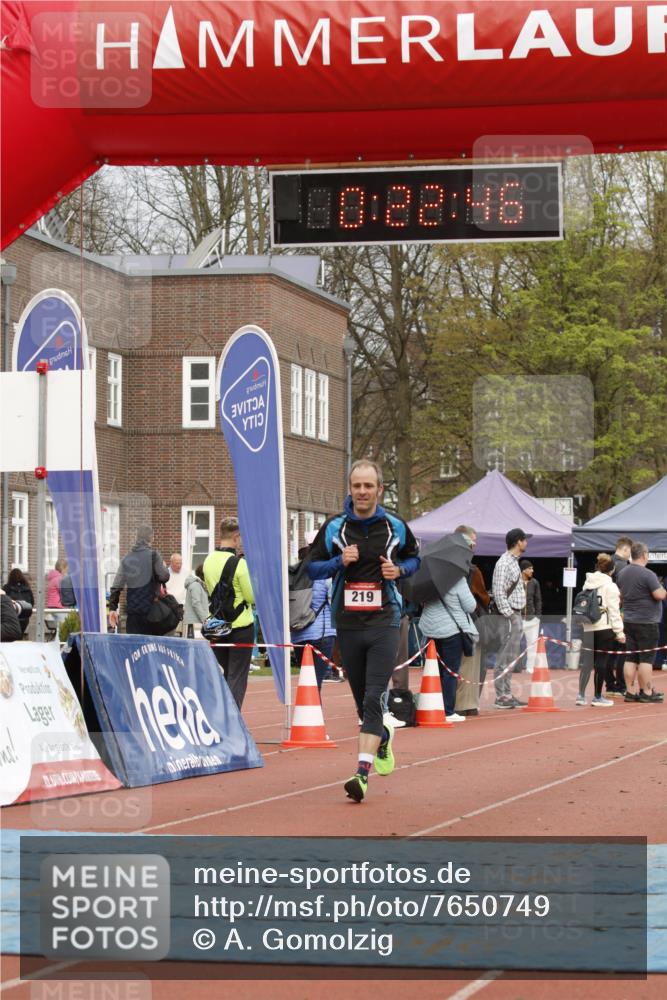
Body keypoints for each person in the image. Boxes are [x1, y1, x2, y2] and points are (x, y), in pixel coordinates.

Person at [307, 458, 420, 803]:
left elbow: (416, 559)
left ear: (379, 490)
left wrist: (398, 571)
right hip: (348, 623)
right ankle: (382, 736)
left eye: (368, 485)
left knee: (374, 696)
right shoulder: (334, 528)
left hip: (385, 621)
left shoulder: (395, 526)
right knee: (363, 704)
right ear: (350, 489)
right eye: (357, 486)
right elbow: (311, 569)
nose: (362, 491)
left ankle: (361, 773)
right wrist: (338, 562)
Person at [420, 534, 478, 724]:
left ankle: (430, 705)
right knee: (450, 672)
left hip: (429, 629)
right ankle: (447, 709)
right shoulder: (457, 579)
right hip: (451, 631)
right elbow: (470, 606)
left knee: (432, 670)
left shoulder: (424, 580)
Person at [203, 517, 256, 709]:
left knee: (225, 674)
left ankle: (222, 715)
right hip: (241, 626)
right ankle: (233, 720)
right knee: (237, 676)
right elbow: (251, 597)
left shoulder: (208, 561)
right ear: (236, 537)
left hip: (218, 626)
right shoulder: (240, 564)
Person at [617, 542, 666, 703]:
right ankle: (647, 691)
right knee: (646, 659)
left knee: (631, 657)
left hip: (629, 620)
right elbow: (659, 595)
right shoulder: (648, 574)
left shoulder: (622, 573)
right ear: (644, 555)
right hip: (646, 622)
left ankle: (630, 692)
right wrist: (663, 588)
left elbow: (620, 596)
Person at [576, 553, 625, 707]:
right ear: (612, 570)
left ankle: (581, 695)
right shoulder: (611, 586)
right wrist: (620, 632)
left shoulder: (587, 583)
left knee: (587, 663)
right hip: (604, 627)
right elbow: (614, 611)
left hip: (588, 626)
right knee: (601, 662)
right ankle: (597, 696)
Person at [291, 537, 337, 691]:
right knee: (315, 682)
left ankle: (307, 713)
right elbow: (334, 602)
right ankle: (313, 714)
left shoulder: (293, 573)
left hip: (298, 633)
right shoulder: (325, 574)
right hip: (322, 634)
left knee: (306, 680)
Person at [491, 528, 530, 709]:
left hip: (515, 613)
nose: (526, 543)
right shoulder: (504, 563)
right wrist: (510, 615)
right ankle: (501, 696)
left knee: (510, 657)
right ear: (518, 542)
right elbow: (498, 592)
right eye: (524, 540)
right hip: (509, 614)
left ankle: (506, 693)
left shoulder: (513, 562)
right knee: (504, 657)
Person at [453, 525, 489, 717]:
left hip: (448, 622)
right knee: (471, 664)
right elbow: (482, 597)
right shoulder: (472, 570)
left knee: (452, 665)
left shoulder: (445, 566)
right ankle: (467, 704)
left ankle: (451, 703)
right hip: (470, 621)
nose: (475, 546)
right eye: (473, 542)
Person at [108, 525, 170, 634]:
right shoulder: (154, 556)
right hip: (151, 611)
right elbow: (164, 576)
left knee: (134, 646)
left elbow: (116, 585)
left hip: (133, 611)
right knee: (151, 646)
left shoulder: (127, 558)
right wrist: (163, 567)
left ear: (137, 537)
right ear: (151, 537)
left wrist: (113, 607)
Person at [608, 536, 633, 694]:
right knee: (623, 650)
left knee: (608, 652)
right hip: (620, 612)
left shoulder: (607, 562)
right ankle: (620, 685)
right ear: (625, 549)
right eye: (629, 551)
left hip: (606, 613)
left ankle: (610, 685)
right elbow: (626, 591)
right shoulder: (623, 566)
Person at [519, 559, 542, 673]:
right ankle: (514, 667)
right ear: (523, 570)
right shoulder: (516, 581)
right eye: (530, 568)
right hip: (518, 619)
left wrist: (537, 616)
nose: (532, 570)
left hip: (532, 619)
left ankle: (530, 667)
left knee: (532, 644)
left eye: (532, 568)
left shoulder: (535, 583)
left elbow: (538, 600)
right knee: (513, 644)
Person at [3, 568, 34, 636]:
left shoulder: (7, 588)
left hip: (11, 619)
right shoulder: (27, 588)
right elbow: (31, 603)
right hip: (24, 618)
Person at [183, 564, 209, 638]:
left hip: (196, 622)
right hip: (193, 623)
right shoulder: (196, 585)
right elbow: (196, 603)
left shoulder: (199, 585)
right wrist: (205, 619)